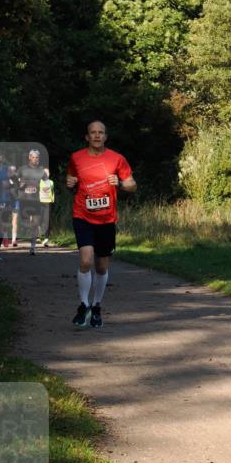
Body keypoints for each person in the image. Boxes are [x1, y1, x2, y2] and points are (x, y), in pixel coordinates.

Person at [66, 120, 136, 329]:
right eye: (93, 133)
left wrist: (122, 183)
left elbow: (132, 185)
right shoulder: (76, 158)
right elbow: (71, 179)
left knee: (102, 266)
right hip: (83, 216)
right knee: (86, 260)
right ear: (87, 137)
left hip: (106, 219)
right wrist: (70, 183)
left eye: (101, 133)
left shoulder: (117, 159)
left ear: (105, 136)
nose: (97, 136)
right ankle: (83, 305)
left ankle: (96, 306)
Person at [18, 149, 46, 255]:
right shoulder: (22, 169)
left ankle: (33, 247)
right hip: (24, 200)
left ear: (39, 158)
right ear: (29, 157)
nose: (35, 159)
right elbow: (14, 181)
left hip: (36, 200)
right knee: (25, 223)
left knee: (35, 223)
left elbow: (47, 184)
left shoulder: (41, 170)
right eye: (33, 157)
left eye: (37, 157)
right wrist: (20, 185)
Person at [39, 168, 55, 247]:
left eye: (48, 172)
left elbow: (52, 192)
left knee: (47, 220)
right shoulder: (39, 182)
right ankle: (38, 235)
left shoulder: (51, 182)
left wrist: (52, 200)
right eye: (45, 172)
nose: (46, 173)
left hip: (48, 203)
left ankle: (46, 238)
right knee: (40, 220)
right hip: (40, 203)